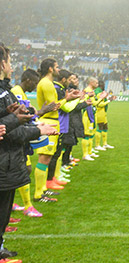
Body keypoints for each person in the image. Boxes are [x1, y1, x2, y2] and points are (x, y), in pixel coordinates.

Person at [0, 45, 57, 263]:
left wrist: (16, 117)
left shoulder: (5, 91)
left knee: (3, 212)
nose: (11, 66)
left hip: (9, 159)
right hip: (5, 157)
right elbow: (7, 130)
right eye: (10, 61)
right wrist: (36, 128)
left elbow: (7, 123)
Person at [10, 69, 58, 217]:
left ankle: (16, 204)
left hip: (21, 137)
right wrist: (41, 113)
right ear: (29, 81)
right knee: (23, 170)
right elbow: (21, 115)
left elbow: (27, 114)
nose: (35, 87)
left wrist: (40, 112)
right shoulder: (16, 91)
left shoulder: (21, 92)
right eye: (35, 84)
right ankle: (27, 206)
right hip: (16, 136)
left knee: (25, 169)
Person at [34, 59, 82, 201]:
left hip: (52, 122)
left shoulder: (46, 83)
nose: (58, 69)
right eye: (56, 67)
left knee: (47, 158)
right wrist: (66, 99)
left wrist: (66, 98)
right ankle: (39, 194)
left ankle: (43, 190)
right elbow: (53, 106)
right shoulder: (47, 84)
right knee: (44, 158)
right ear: (50, 69)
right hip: (49, 122)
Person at [94, 80, 115, 149]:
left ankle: (105, 144)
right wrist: (109, 100)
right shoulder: (98, 92)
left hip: (103, 112)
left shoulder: (100, 91)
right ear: (101, 85)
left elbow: (103, 100)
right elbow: (99, 104)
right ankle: (97, 145)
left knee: (105, 127)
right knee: (100, 128)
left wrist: (109, 99)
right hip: (99, 112)